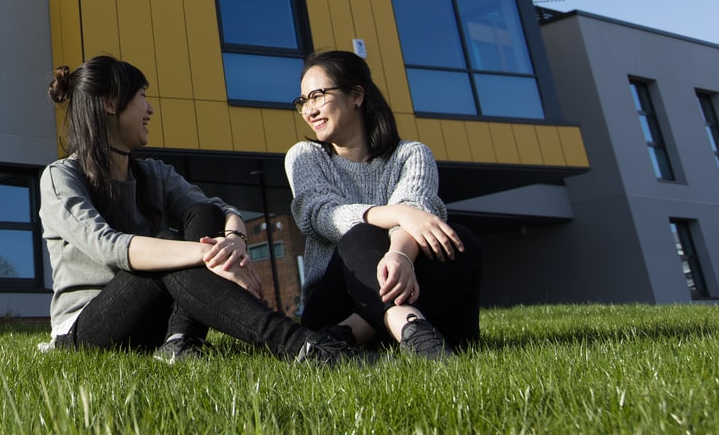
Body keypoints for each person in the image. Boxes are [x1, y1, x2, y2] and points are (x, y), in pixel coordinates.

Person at [39, 55, 367, 365]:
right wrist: (207, 255)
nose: (150, 108)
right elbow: (109, 246)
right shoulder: (61, 177)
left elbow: (219, 209)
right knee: (168, 250)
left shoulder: (153, 172)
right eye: (142, 95)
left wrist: (235, 239)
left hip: (151, 319)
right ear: (110, 103)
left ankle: (181, 340)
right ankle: (299, 344)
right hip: (86, 330)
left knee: (203, 213)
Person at [285, 50, 484, 359]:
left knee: (461, 242)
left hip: (410, 285)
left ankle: (346, 336)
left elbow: (421, 211)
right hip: (336, 300)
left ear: (356, 96)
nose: (309, 110)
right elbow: (322, 215)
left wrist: (400, 255)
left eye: (318, 96)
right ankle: (410, 325)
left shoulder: (412, 154)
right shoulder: (305, 157)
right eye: (303, 102)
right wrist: (398, 214)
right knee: (361, 234)